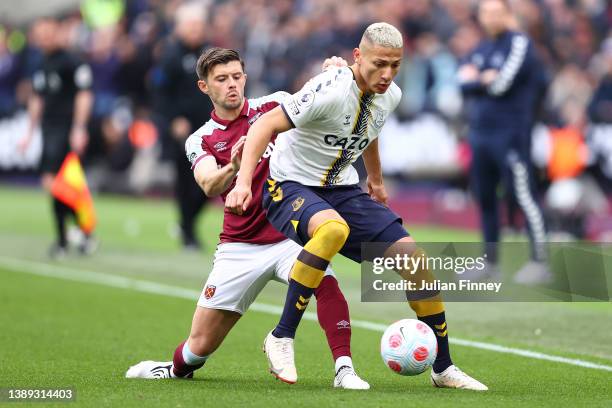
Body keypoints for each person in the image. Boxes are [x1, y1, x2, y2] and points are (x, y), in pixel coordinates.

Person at [226, 22, 487, 390]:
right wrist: (241, 184)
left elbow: (370, 129)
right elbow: (264, 125)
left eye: (395, 65)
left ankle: (442, 367)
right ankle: (281, 335)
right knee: (333, 229)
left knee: (416, 262)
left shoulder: (391, 94)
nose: (387, 73)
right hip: (289, 185)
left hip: (342, 189)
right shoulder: (328, 89)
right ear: (358, 56)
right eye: (380, 63)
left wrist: (375, 179)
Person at [126, 48, 369, 390]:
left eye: (237, 77)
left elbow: (320, 102)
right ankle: (173, 368)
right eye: (221, 79)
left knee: (327, 284)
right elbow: (209, 183)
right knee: (199, 348)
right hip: (240, 246)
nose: (232, 85)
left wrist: (334, 74)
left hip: (288, 234)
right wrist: (234, 166)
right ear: (204, 87)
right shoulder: (201, 139)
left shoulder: (274, 106)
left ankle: (345, 368)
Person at [457, 0, 550, 284]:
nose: (491, 18)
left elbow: (501, 84)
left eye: (497, 13)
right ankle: (490, 262)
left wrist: (480, 81)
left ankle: (539, 262)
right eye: (486, 13)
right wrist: (481, 81)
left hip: (510, 135)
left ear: (508, 15)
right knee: (485, 198)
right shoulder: (482, 47)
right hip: (481, 134)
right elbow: (461, 82)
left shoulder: (519, 43)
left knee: (523, 195)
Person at [19, 16, 95, 258]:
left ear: (58, 32)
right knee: (57, 184)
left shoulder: (72, 61)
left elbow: (84, 95)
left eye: (48, 33)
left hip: (66, 128)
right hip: (48, 129)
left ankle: (70, 236)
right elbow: (37, 98)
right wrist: (29, 132)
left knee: (55, 181)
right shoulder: (41, 62)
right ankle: (79, 233)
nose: (44, 38)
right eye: (40, 34)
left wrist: (79, 127)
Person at [153, 2, 213, 250]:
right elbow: (159, 92)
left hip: (209, 127)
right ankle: (188, 232)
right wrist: (173, 118)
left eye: (199, 25)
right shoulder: (170, 56)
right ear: (179, 28)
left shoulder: (210, 55)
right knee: (185, 181)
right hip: (182, 130)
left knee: (209, 184)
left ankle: (186, 223)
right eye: (191, 25)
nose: (195, 30)